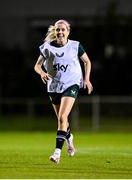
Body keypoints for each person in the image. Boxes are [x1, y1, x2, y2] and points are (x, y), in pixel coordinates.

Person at [34, 19, 93, 164]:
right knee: (62, 121)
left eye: (63, 29)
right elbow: (37, 65)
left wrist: (86, 79)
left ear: (68, 31)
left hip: (71, 84)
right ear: (55, 31)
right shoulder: (47, 47)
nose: (60, 32)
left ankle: (57, 154)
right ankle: (69, 137)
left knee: (62, 118)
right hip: (53, 86)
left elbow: (87, 61)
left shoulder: (75, 46)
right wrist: (42, 73)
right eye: (58, 29)